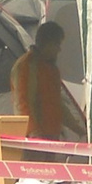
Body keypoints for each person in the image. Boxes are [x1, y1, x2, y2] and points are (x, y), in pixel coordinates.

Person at [10, 21, 67, 159]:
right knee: (34, 178)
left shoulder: (52, 68)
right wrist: (34, 134)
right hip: (34, 141)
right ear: (46, 43)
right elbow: (22, 103)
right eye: (57, 44)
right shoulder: (26, 66)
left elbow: (57, 103)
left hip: (51, 138)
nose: (59, 49)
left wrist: (79, 128)